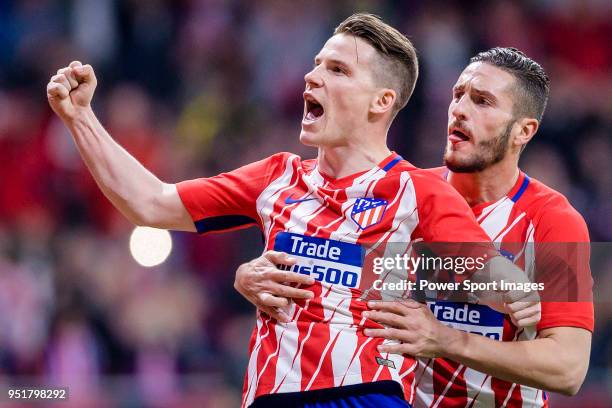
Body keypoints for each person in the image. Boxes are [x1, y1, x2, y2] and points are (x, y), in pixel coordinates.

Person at [47, 13, 536, 408]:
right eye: (319, 64)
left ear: (381, 101)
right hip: (270, 394)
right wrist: (80, 117)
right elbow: (149, 203)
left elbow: (506, 285)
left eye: (338, 70)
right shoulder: (276, 176)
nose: (313, 75)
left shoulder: (417, 191)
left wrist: (396, 275)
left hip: (365, 395)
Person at [235, 48, 594, 407]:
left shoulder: (553, 221)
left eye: (482, 101)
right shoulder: (402, 194)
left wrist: (445, 339)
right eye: (458, 95)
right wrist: (253, 273)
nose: (459, 110)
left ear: (523, 131)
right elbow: (329, 269)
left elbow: (567, 368)